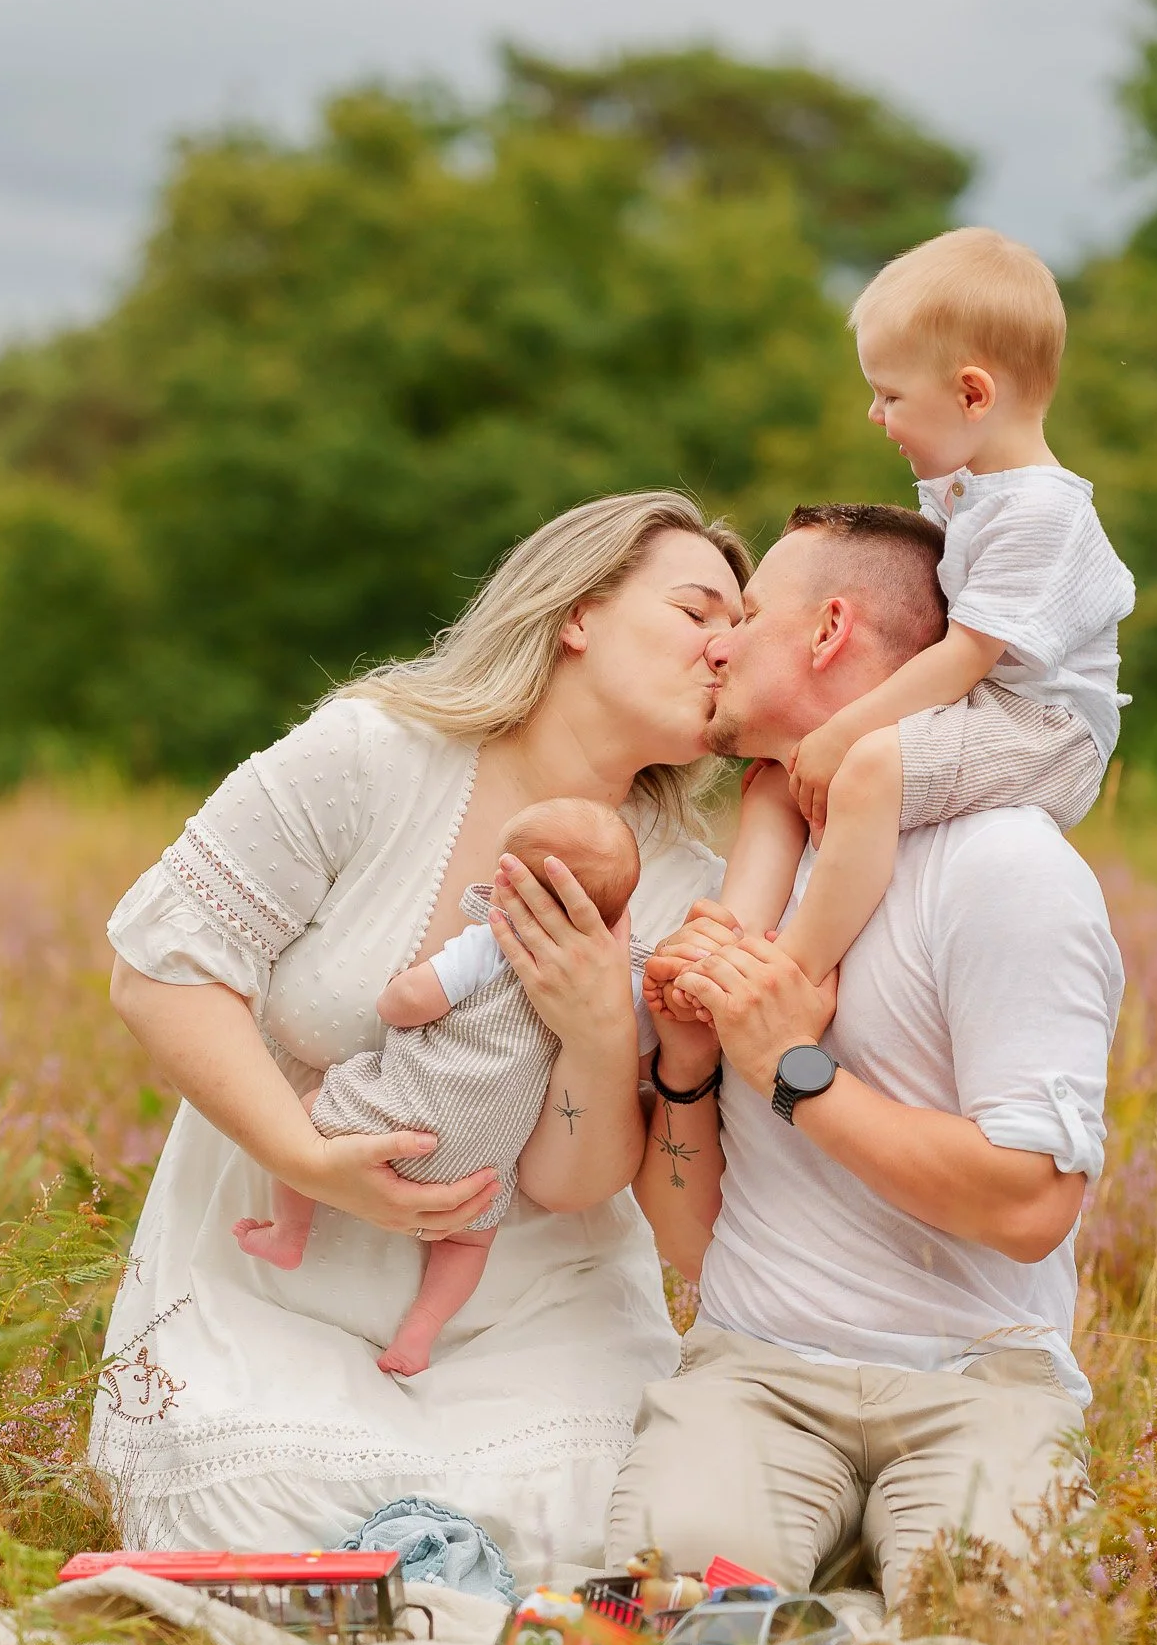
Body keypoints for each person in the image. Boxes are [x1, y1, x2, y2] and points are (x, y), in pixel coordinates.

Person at [96, 491, 748, 1583]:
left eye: (742, 627)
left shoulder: (685, 884)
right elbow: (159, 969)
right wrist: (308, 1160)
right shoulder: (372, 755)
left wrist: (594, 1028)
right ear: (576, 614)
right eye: (695, 610)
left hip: (529, 1304)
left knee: (603, 1518)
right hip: (274, 1271)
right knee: (262, 1497)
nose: (727, 645)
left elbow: (574, 1182)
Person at [611, 501, 1124, 1608]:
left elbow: (1032, 1203)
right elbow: (691, 1241)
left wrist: (795, 1070)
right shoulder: (753, 875)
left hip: (976, 1383)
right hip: (752, 1373)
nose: (719, 640)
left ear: (828, 629)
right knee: (663, 1623)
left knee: (980, 1633)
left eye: (744, 614)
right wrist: (691, 1061)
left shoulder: (1002, 869)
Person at [677, 227, 1134, 999]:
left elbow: (963, 658)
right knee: (787, 772)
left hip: (1049, 728)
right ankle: (746, 930)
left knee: (868, 766)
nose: (872, 413)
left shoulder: (1038, 511)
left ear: (971, 394)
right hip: (995, 705)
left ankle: (795, 967)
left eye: (890, 396)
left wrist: (841, 731)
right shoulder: (968, 487)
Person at [233, 797, 648, 1379]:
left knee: (302, 1113)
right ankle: (421, 1332)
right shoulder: (614, 980)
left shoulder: (490, 945)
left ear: (510, 884)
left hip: (395, 1118)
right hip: (479, 1170)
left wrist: (400, 988)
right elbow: (640, 1047)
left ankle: (290, 1231)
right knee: (466, 1246)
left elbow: (404, 1005)